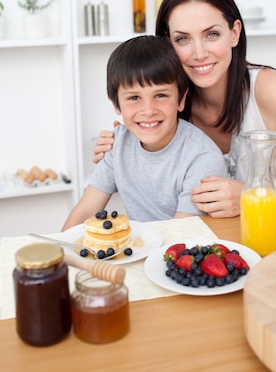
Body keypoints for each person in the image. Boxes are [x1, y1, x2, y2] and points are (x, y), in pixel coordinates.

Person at [93, 0, 276, 218]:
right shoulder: (166, 103)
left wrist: (255, 195)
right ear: (167, 43)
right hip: (194, 261)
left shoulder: (268, 89)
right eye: (183, 39)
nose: (199, 53)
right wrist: (121, 145)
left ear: (234, 33)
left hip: (267, 250)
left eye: (211, 34)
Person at [62, 34, 228, 229]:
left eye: (160, 95)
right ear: (116, 104)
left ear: (181, 99)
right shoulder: (117, 143)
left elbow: (180, 236)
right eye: (133, 98)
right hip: (145, 249)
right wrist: (58, 257)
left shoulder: (201, 157)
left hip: (181, 250)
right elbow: (84, 212)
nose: (148, 110)